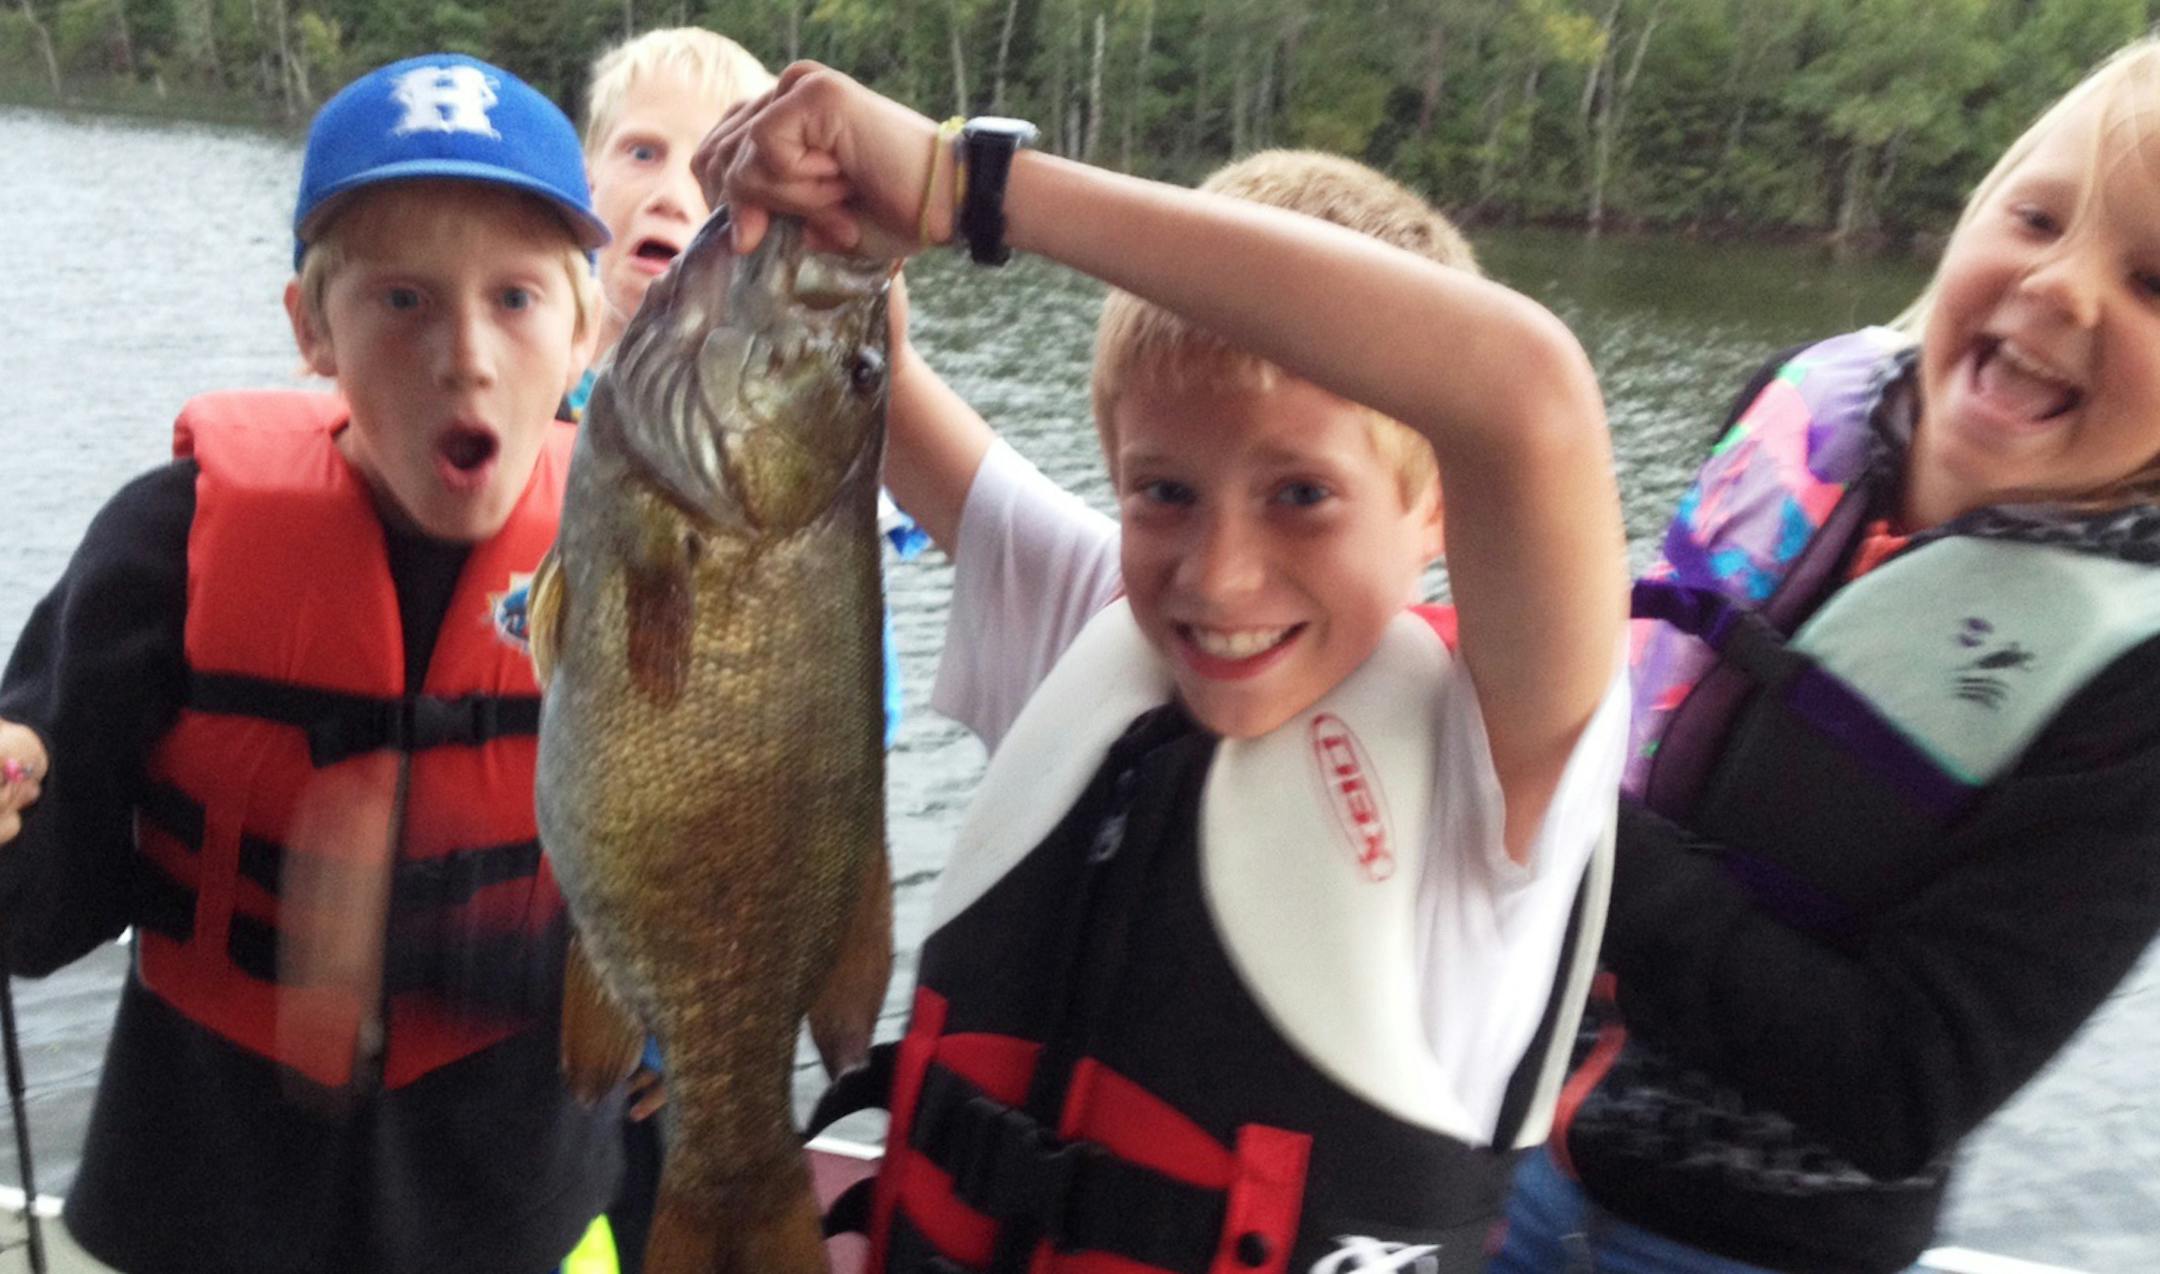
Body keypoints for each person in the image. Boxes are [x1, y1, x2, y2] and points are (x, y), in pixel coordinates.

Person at [706, 67, 1631, 1272]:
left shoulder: (1502, 763)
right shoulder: (1104, 621)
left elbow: (1524, 390)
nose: (1217, 577)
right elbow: (853, 359)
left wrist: (966, 185)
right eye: (1164, 491)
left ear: (1438, 503)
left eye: (1303, 495)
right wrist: (802, 211)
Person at [1491, 37, 2160, 1274]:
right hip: (1496, 1133)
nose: (2065, 289)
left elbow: (1906, 1082)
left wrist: (1572, 826)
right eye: (2036, 216)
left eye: (2155, 282)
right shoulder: (1804, 404)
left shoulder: (2135, 679)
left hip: (1737, 1249)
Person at [0, 53, 626, 1273]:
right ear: (311, 329)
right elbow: (42, 909)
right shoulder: (165, 541)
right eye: (402, 299)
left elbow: (685, 896)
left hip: (518, 1205)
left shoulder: (638, 564)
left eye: (515, 299)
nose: (466, 354)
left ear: (584, 332)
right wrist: (18, 805)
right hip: (203, 1202)